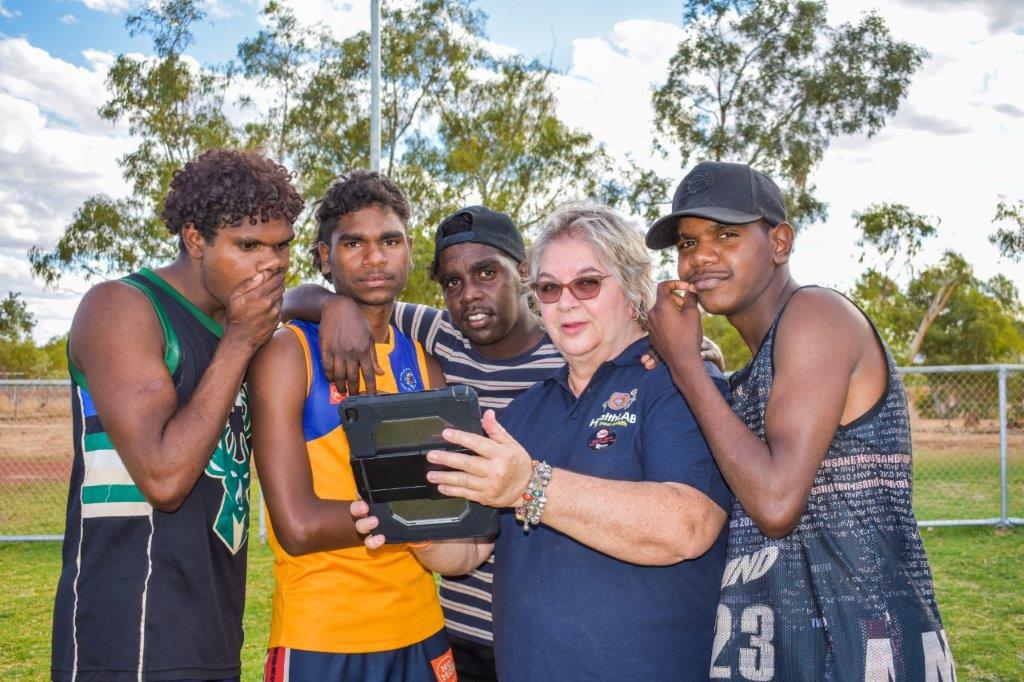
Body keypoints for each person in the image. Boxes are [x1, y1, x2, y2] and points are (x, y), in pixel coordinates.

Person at [283, 205, 726, 681]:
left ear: (635, 287)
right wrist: (413, 522)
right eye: (551, 288)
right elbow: (469, 550)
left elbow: (688, 526)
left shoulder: (678, 383)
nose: (566, 302)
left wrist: (529, 485)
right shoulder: (519, 415)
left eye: (588, 284)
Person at [644, 161, 953, 680]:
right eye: (687, 242)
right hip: (781, 648)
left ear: (780, 243)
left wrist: (685, 366)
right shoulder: (749, 372)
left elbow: (776, 503)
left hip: (861, 645)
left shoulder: (817, 315)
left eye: (726, 234)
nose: (700, 257)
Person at [51, 148, 301, 682]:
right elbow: (163, 477)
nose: (271, 263)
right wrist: (239, 341)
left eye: (282, 246)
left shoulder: (245, 326)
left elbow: (298, 303)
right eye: (248, 245)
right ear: (195, 239)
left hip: (212, 628)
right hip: (127, 637)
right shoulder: (121, 307)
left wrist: (331, 304)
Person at [248, 170, 455, 682]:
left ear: (408, 250)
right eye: (353, 243)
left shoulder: (423, 363)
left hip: (422, 627)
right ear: (324, 256)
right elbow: (298, 528)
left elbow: (454, 505)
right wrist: (418, 509)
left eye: (390, 241)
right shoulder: (288, 353)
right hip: (323, 635)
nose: (375, 257)